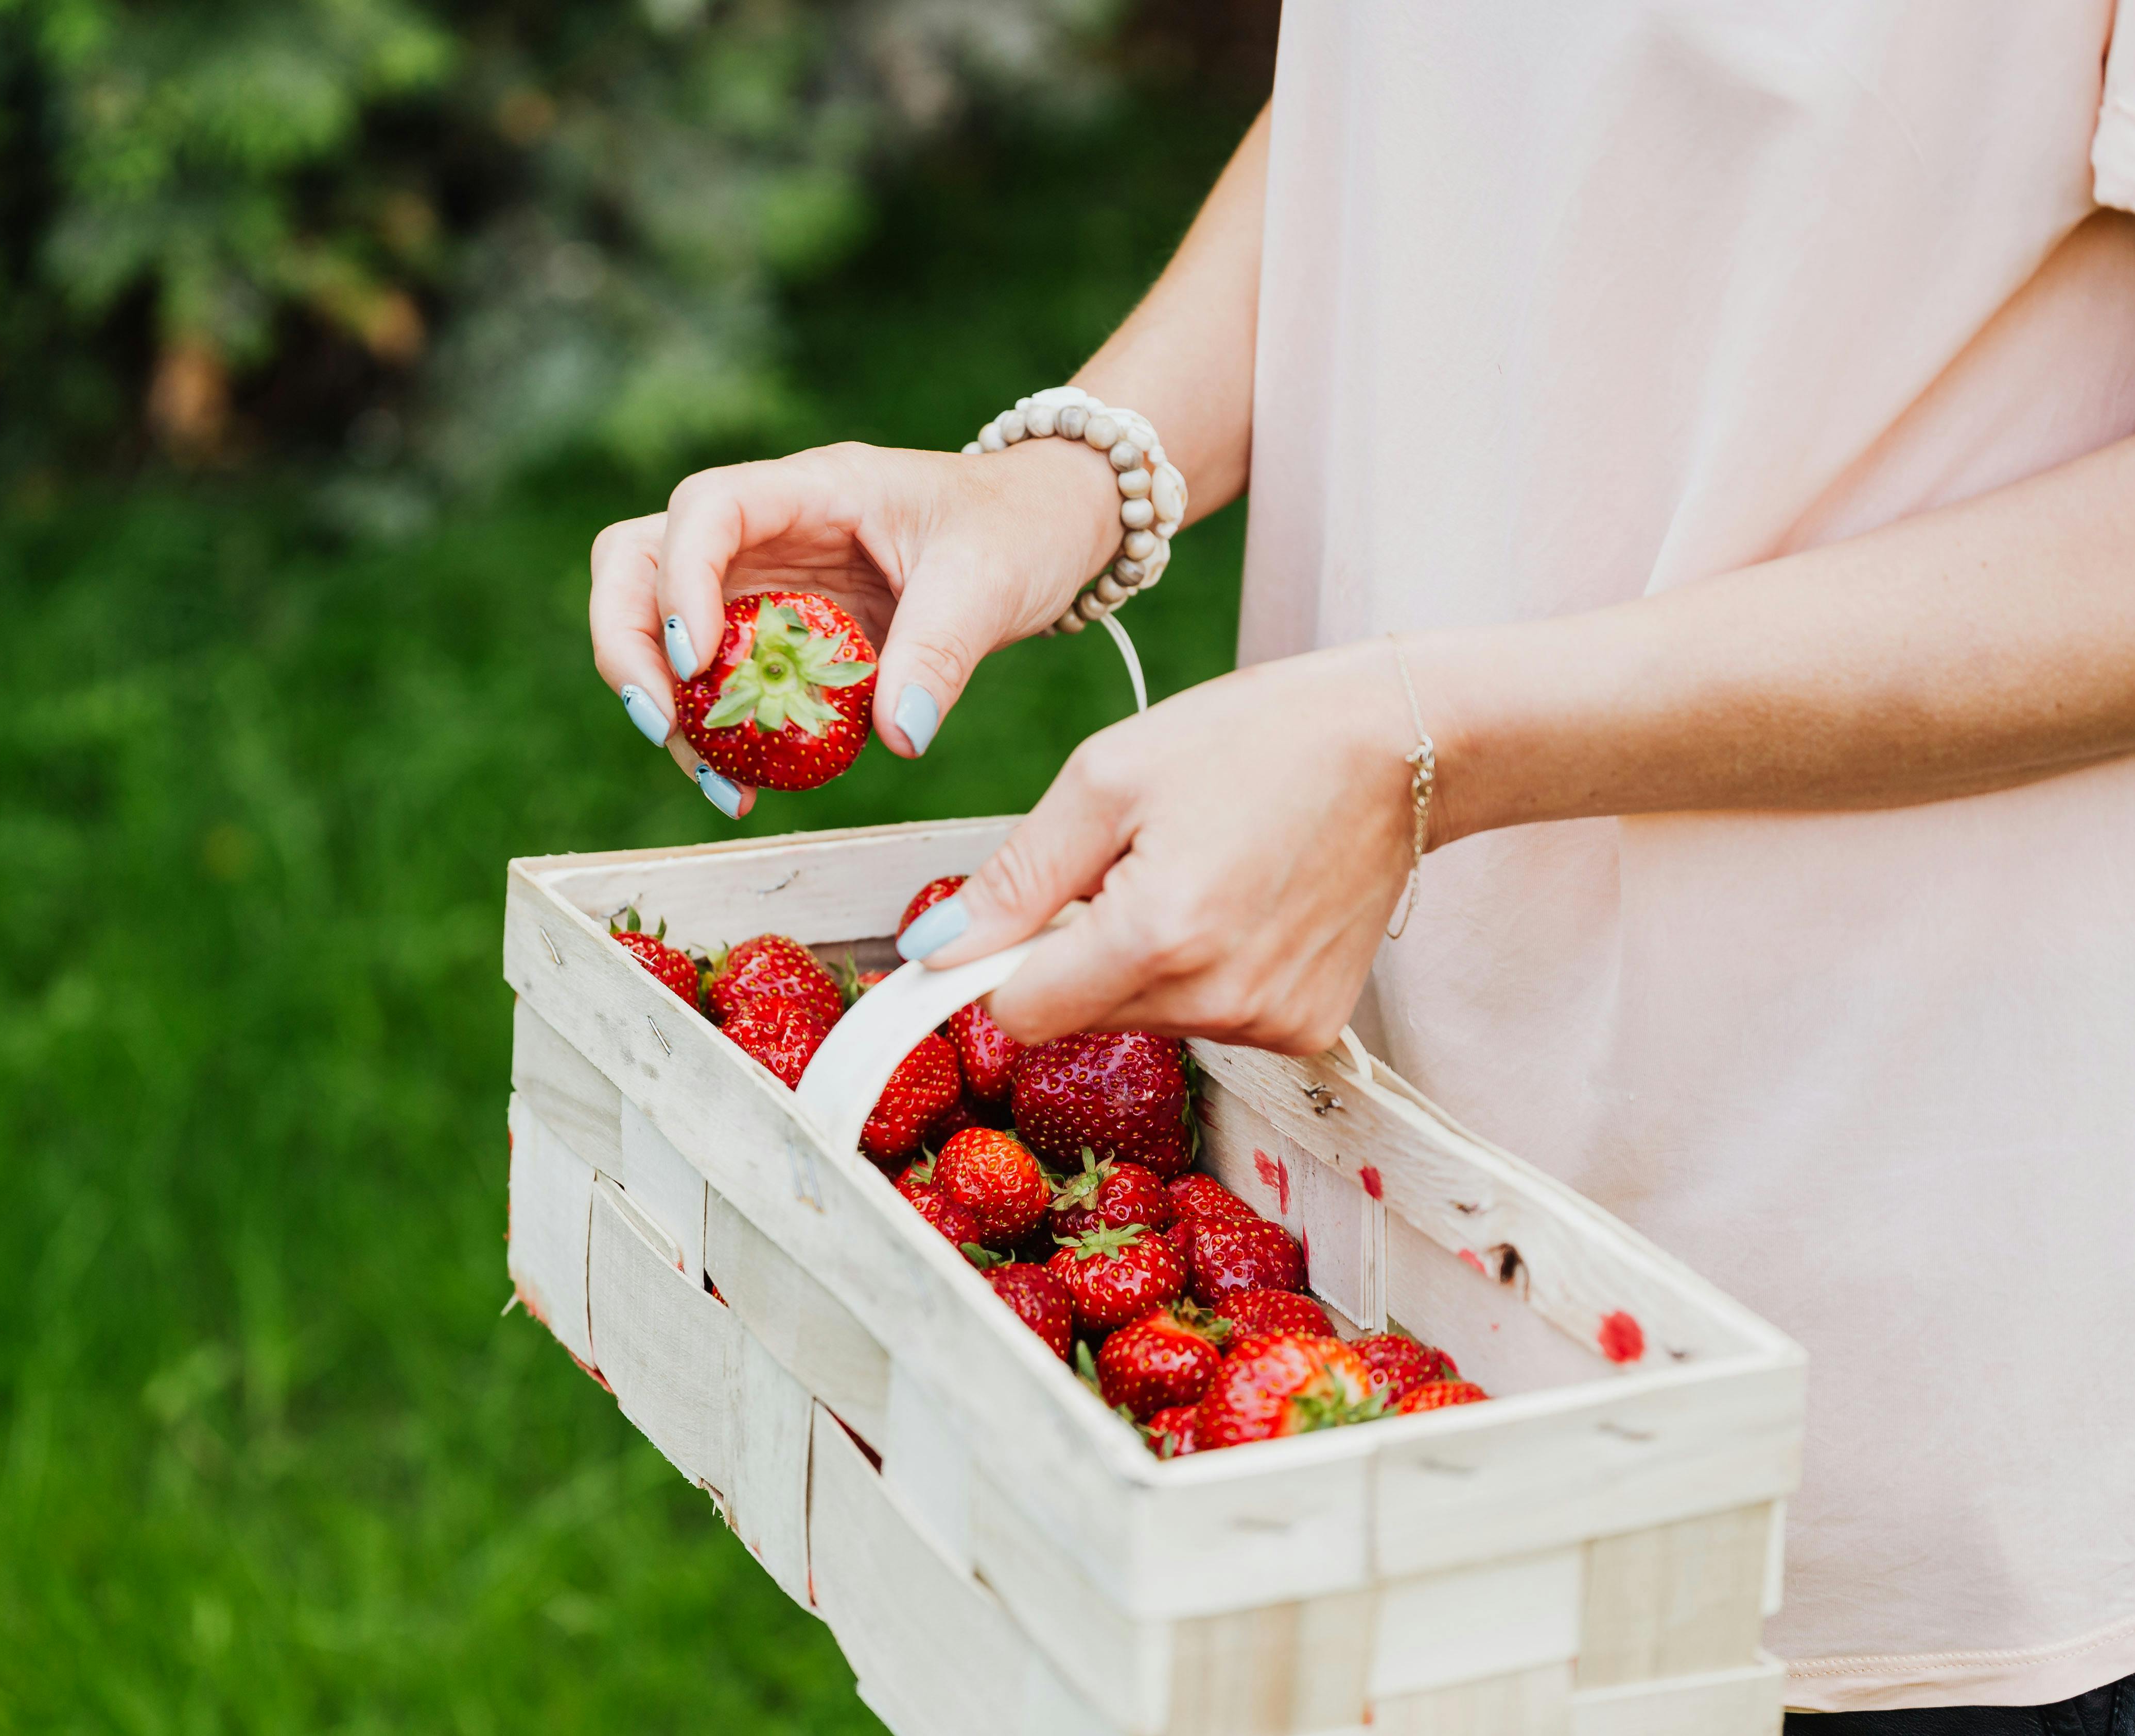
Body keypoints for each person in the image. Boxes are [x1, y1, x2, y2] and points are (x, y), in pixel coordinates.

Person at [587, 6, 2135, 1728]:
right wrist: (1061, 479)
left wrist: (1429, 742)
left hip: (1863, 1219)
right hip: (1341, 1165)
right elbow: (1444, 122)